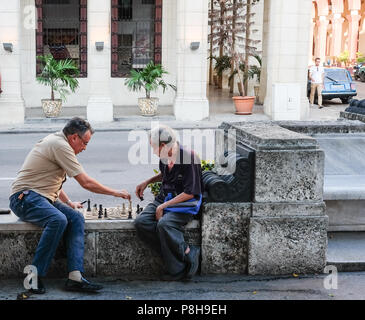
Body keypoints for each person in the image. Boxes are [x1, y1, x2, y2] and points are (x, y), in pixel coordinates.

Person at [9, 117, 131, 295]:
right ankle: (32, 276)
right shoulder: (60, 145)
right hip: (24, 198)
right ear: (74, 137)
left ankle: (75, 277)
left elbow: (51, 180)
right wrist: (115, 192)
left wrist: (68, 203)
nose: (85, 148)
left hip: (41, 197)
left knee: (75, 217)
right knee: (58, 219)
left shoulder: (59, 143)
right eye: (85, 142)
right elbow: (86, 183)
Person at [134, 125, 202, 281]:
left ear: (163, 146)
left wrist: (164, 206)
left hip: (185, 203)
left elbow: (190, 192)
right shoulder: (165, 157)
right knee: (141, 223)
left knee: (164, 224)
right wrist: (147, 181)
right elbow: (165, 175)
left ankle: (176, 268)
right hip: (165, 198)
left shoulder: (189, 158)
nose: (153, 152)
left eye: (153, 147)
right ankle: (186, 251)